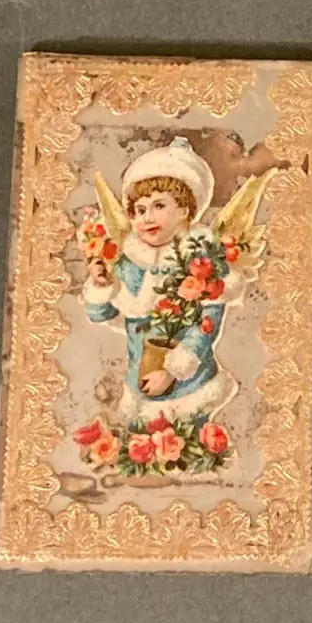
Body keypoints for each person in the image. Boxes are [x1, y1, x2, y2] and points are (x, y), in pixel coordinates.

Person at [82, 138, 243, 425]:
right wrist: (102, 285)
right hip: (139, 387)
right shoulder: (130, 263)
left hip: (189, 386)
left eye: (158, 206)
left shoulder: (200, 262)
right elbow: (101, 315)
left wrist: (171, 371)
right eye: (140, 210)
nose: (147, 218)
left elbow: (207, 325)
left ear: (185, 210)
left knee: (188, 436)